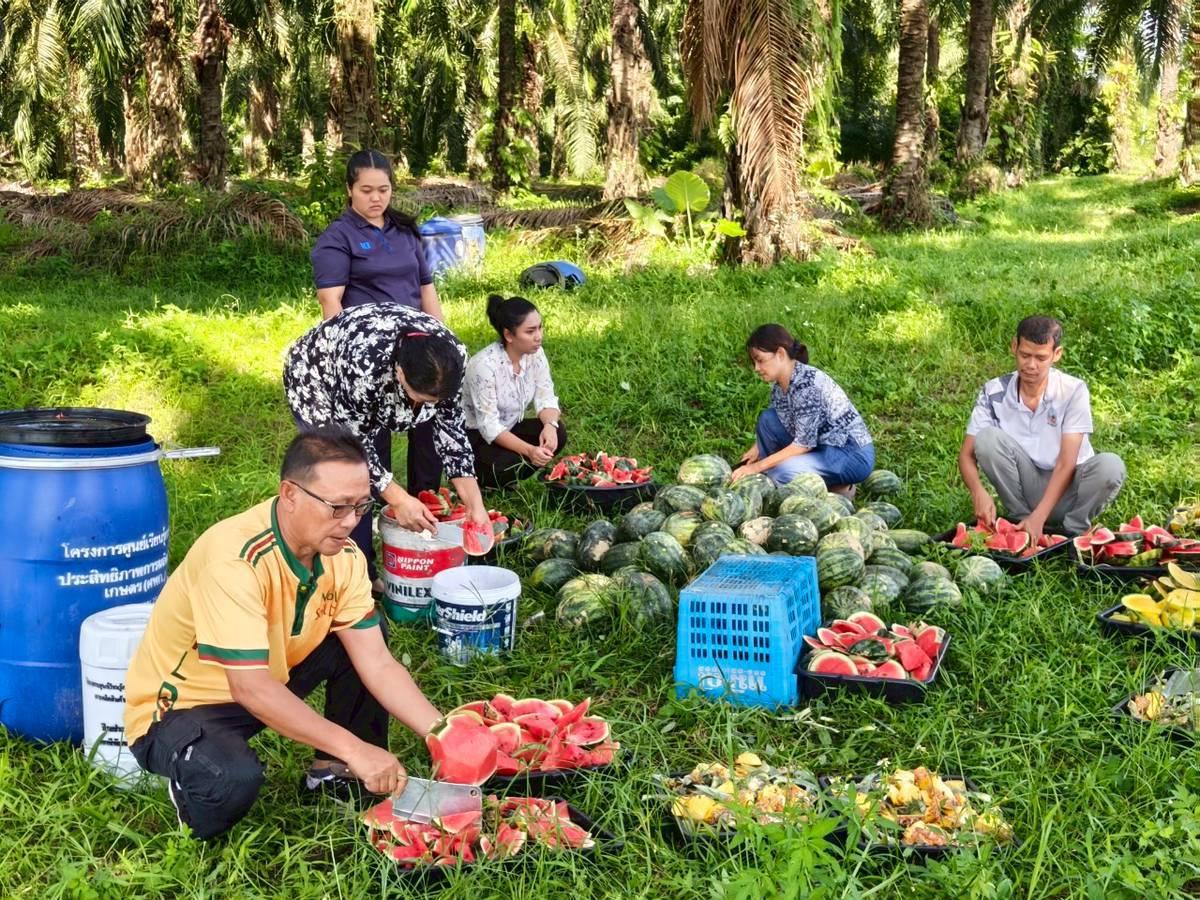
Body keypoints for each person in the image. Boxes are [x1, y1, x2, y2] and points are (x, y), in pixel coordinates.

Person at [124, 428, 444, 841]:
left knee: (367, 635)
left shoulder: (343, 556)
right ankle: (190, 788)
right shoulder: (234, 561)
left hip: (267, 679)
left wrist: (444, 734)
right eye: (337, 507)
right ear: (290, 494)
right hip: (182, 710)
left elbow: (378, 664)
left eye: (361, 506)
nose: (350, 522)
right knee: (232, 780)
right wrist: (356, 747)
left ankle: (332, 773)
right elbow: (251, 688)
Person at [282, 304, 490, 585]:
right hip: (319, 375)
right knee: (339, 472)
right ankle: (349, 574)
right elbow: (353, 445)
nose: (425, 408)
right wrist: (400, 499)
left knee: (370, 475)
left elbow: (451, 430)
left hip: (371, 370)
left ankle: (358, 571)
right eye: (422, 399)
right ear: (401, 374)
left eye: (434, 402)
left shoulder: (453, 358)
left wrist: (475, 505)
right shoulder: (364, 364)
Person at [310, 148, 443, 496]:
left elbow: (426, 286)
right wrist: (340, 356)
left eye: (383, 190)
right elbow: (331, 301)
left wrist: (440, 335)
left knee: (427, 420)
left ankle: (425, 499)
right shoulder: (337, 238)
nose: (376, 198)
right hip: (369, 352)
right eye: (366, 190)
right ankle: (371, 501)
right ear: (350, 190)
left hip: (417, 343)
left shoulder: (405, 231)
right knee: (372, 431)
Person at [958, 315, 1125, 539]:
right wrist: (978, 492)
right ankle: (1020, 520)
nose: (1031, 365)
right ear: (1014, 346)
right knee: (987, 439)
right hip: (1024, 486)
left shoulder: (1072, 391)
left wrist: (1041, 515)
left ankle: (1073, 528)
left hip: (1069, 489)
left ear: (1056, 354)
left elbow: (1067, 463)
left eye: (1041, 358)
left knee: (1111, 466)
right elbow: (966, 455)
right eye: (1025, 355)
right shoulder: (993, 391)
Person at [731, 324, 875, 492]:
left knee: (780, 473)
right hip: (821, 445)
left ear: (780, 354)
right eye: (754, 362)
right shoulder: (780, 385)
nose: (756, 368)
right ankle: (791, 472)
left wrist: (756, 467)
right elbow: (784, 422)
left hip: (849, 454)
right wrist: (756, 449)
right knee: (768, 419)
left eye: (760, 360)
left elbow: (803, 444)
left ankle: (833, 487)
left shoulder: (807, 386)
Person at [459, 294, 567, 489]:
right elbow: (489, 426)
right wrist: (529, 450)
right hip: (475, 440)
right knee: (510, 462)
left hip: (509, 427)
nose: (539, 336)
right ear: (509, 335)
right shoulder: (484, 366)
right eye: (530, 331)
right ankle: (483, 481)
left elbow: (546, 396)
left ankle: (505, 478)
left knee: (559, 433)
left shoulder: (535, 354)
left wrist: (550, 425)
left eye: (540, 327)